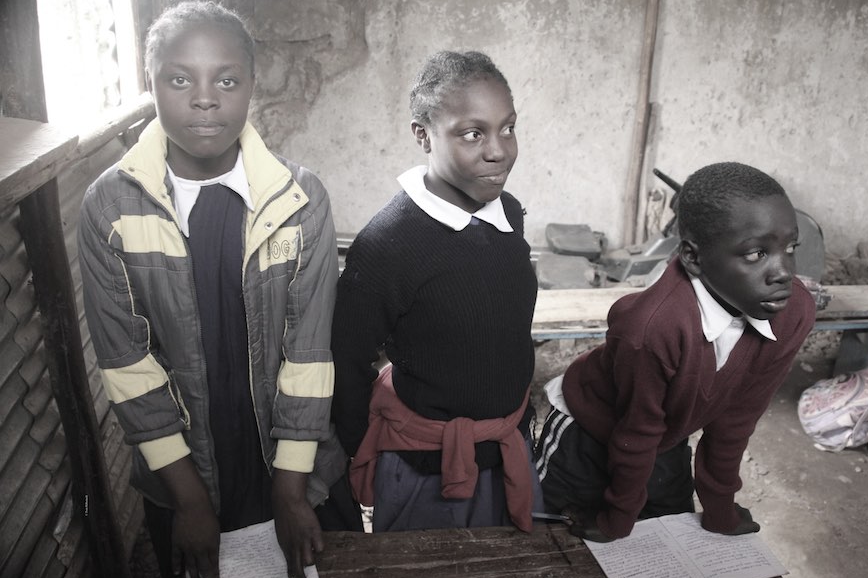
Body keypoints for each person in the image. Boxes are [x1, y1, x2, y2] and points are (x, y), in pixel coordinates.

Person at [77, 2, 361, 578]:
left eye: (226, 80)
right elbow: (129, 368)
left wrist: (290, 488)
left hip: (294, 459)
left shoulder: (299, 199)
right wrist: (187, 497)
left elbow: (309, 355)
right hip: (183, 468)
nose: (205, 98)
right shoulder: (111, 209)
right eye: (180, 80)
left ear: (251, 86)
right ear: (149, 83)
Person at [535, 162, 816, 542]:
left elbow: (736, 419)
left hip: (664, 440)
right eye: (755, 254)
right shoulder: (652, 328)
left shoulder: (792, 311)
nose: (782, 271)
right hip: (587, 436)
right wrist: (616, 519)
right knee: (557, 544)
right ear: (693, 257)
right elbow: (637, 430)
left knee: (667, 543)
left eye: (790, 247)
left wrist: (720, 511)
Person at [331, 50, 544, 532]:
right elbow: (344, 360)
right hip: (426, 470)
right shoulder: (388, 245)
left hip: (506, 447)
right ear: (422, 134)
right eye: (473, 133)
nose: (499, 150)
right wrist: (376, 449)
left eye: (507, 128)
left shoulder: (507, 212)